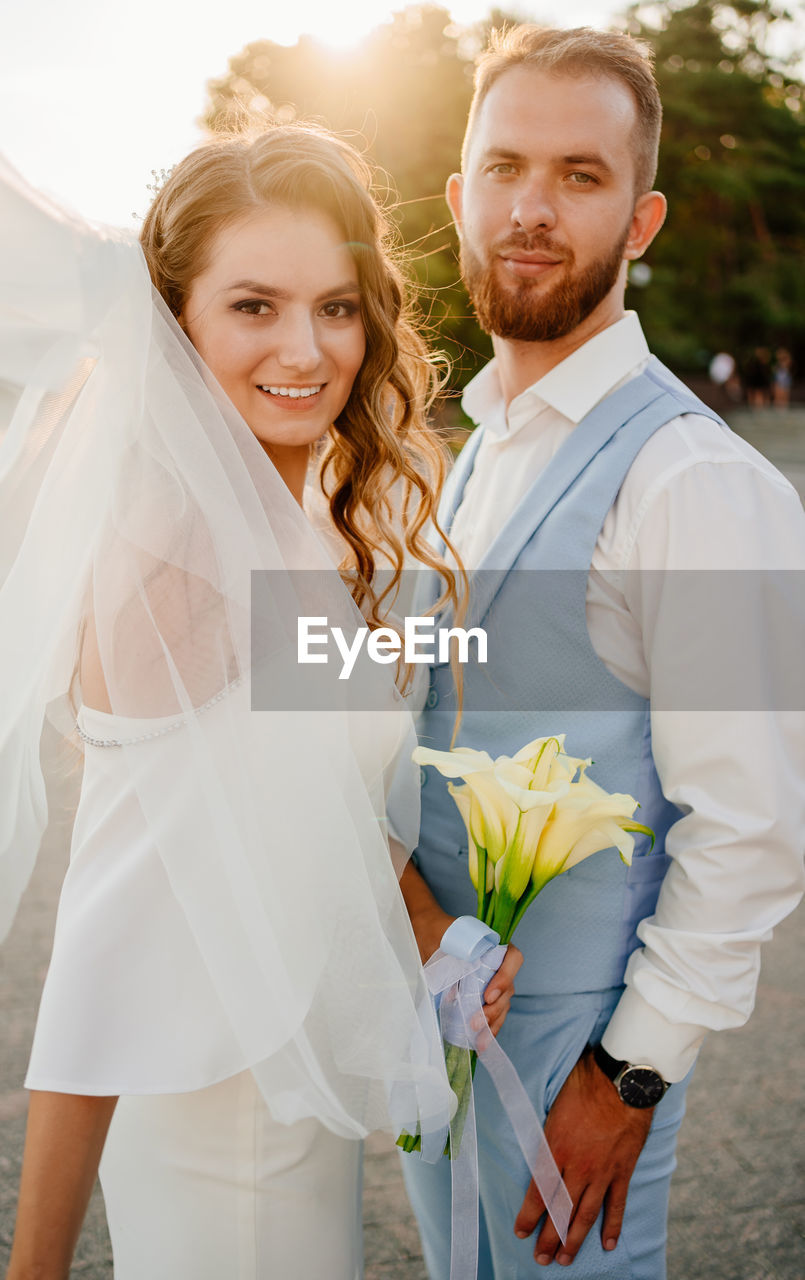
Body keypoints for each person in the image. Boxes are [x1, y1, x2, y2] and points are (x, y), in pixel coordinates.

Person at [0, 102, 495, 1279]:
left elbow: (305, 778)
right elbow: (101, 947)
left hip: (283, 1113)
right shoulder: (176, 561)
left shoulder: (279, 523)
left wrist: (427, 924)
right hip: (223, 1136)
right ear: (176, 321)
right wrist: (32, 1266)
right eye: (254, 305)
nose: (306, 351)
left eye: (335, 307)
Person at [396, 24, 805, 1280]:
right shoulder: (467, 456)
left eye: (580, 176)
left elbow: (751, 826)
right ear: (461, 198)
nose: (532, 207)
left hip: (576, 1086)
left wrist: (627, 1076)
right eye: (506, 168)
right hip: (442, 1056)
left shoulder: (696, 482)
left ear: (641, 221)